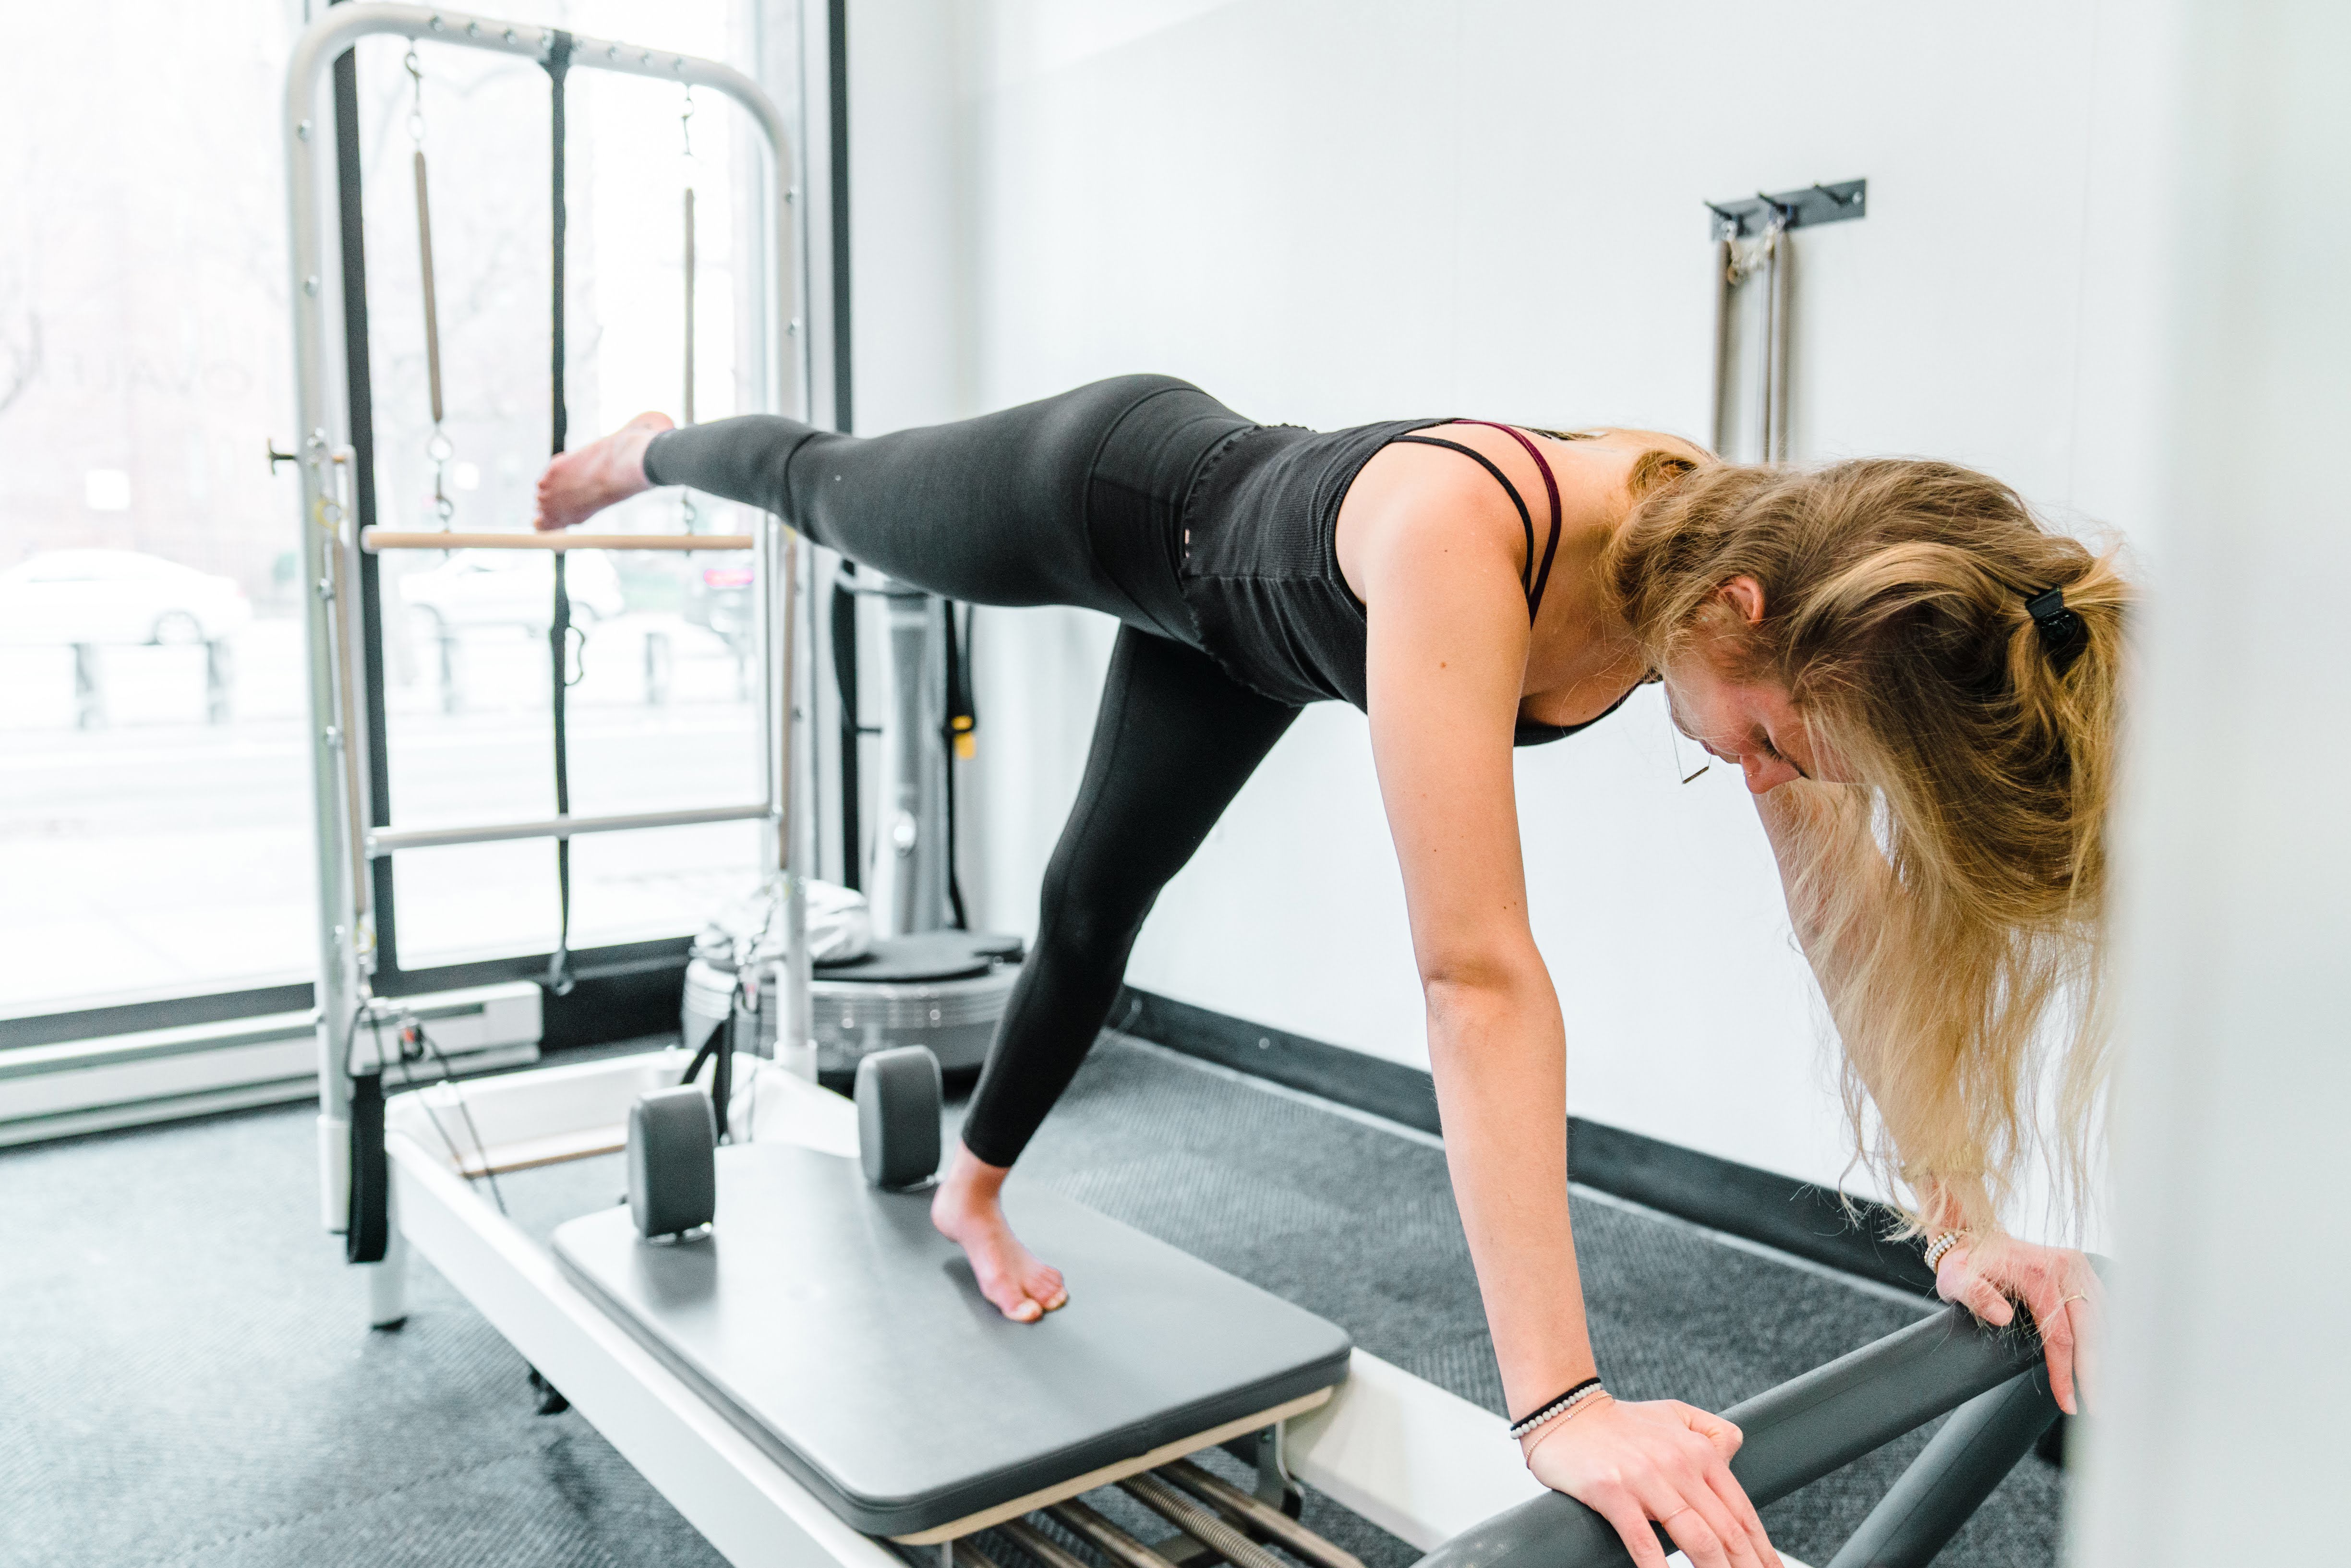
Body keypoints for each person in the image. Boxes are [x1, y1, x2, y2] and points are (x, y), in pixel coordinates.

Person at [537, 374, 2123, 1568]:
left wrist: (1963, 1221)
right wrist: (1564, 1401)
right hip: (1111, 490)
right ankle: (654, 447)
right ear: (1736, 610)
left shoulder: (1754, 574)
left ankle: (970, 1185)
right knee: (823, 489)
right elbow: (1476, 975)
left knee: (1091, 907)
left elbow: (1841, 920)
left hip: (1239, 639)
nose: (1770, 778)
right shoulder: (1465, 539)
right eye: (1775, 741)